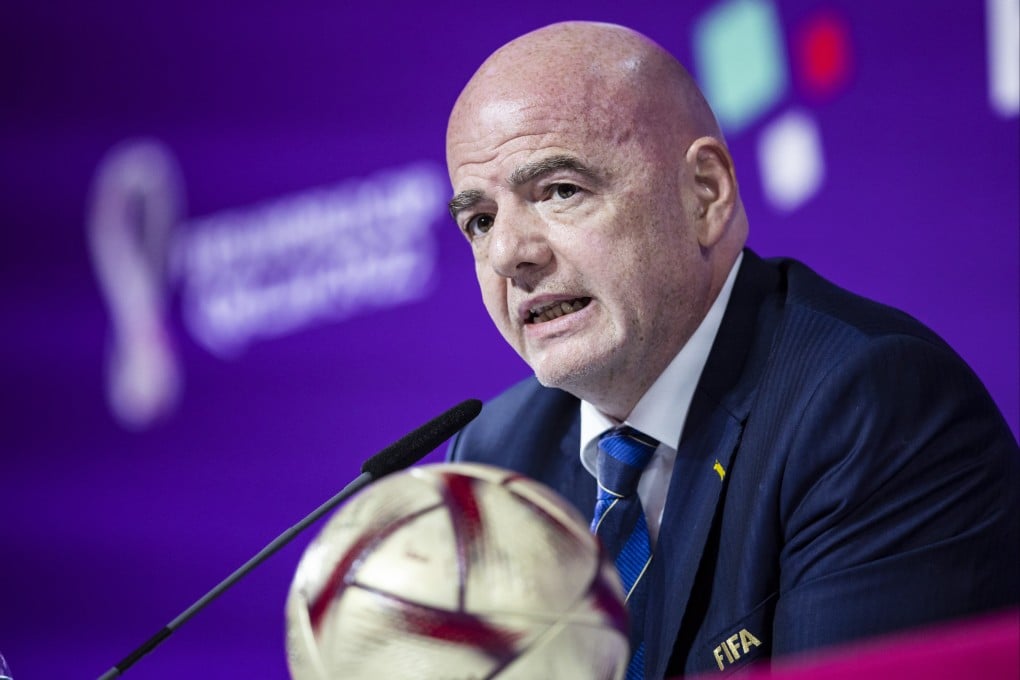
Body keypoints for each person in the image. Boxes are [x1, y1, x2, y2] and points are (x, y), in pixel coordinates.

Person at [444, 21, 1019, 678]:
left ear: (705, 194)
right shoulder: (495, 458)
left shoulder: (870, 409)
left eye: (559, 191)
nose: (509, 255)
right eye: (480, 221)